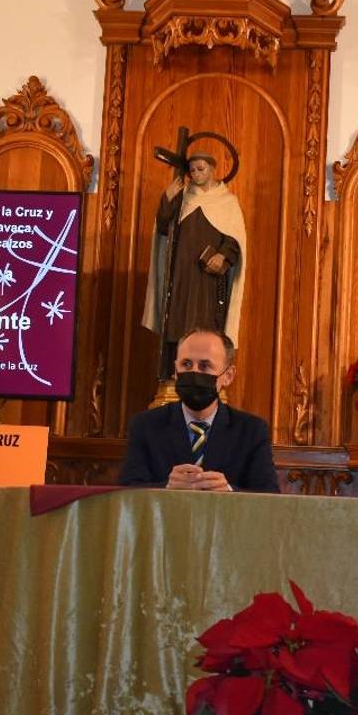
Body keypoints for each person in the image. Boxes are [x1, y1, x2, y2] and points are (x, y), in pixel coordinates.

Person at [118, 328, 279, 493]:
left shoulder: (252, 430)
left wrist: (229, 490)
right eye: (186, 364)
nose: (194, 373)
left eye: (205, 366)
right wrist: (166, 487)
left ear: (228, 375)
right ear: (175, 370)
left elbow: (270, 496)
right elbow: (127, 490)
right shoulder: (145, 425)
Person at [142, 153, 248, 376]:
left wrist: (223, 256)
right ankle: (175, 373)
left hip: (208, 279)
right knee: (178, 321)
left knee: (207, 322)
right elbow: (163, 227)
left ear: (213, 169)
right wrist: (168, 199)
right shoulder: (183, 198)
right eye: (193, 170)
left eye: (201, 169)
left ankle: (206, 372)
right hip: (181, 274)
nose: (197, 174)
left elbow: (234, 240)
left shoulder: (227, 201)